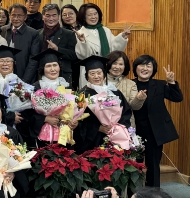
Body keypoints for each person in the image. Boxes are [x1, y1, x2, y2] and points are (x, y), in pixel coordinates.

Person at [132, 55, 183, 187]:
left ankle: (153, 194)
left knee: (153, 164)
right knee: (133, 164)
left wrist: (171, 82)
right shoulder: (130, 84)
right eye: (141, 65)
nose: (145, 68)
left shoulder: (160, 84)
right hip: (134, 131)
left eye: (148, 66)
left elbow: (177, 98)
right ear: (135, 68)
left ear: (153, 69)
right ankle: (133, 193)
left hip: (154, 132)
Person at [75, 55, 132, 153]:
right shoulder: (81, 95)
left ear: (104, 74)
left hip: (115, 136)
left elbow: (125, 112)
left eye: (99, 73)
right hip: (93, 140)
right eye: (92, 73)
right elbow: (78, 120)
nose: (96, 76)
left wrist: (117, 127)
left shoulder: (113, 91)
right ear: (87, 76)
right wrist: (98, 128)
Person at [74, 2, 131, 88]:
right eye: (90, 15)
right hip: (91, 71)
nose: (93, 17)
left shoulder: (105, 30)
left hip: (106, 69)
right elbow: (83, 55)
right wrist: (83, 42)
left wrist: (122, 37)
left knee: (107, 93)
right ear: (84, 17)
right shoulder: (80, 33)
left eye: (95, 14)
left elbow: (114, 50)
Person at [29, 49, 77, 146]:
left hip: (65, 134)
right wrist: (45, 118)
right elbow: (28, 114)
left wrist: (74, 121)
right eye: (48, 66)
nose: (53, 69)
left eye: (55, 65)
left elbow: (75, 109)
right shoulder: (36, 87)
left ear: (59, 67)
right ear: (42, 69)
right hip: (44, 135)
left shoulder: (67, 87)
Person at [39, 3, 77, 83]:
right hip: (40, 75)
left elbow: (74, 55)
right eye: (48, 15)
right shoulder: (37, 34)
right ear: (43, 17)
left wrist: (57, 49)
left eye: (54, 15)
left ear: (58, 16)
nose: (51, 18)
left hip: (63, 75)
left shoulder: (69, 34)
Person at [4, 3, 41, 83]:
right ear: (9, 16)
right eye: (13, 15)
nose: (16, 18)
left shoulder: (33, 33)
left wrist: (25, 80)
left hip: (24, 76)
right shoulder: (3, 30)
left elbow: (34, 59)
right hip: (4, 76)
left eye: (19, 16)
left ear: (25, 17)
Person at [106, 51, 143, 127]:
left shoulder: (131, 84)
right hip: (105, 126)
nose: (117, 67)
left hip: (126, 125)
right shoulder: (99, 82)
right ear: (108, 64)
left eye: (121, 64)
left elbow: (134, 107)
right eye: (114, 63)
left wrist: (138, 99)